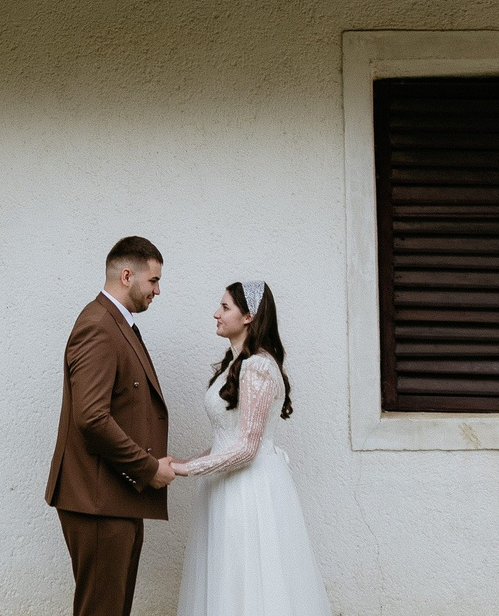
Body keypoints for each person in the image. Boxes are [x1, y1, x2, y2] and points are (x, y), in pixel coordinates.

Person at [166, 280, 334, 616]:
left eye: (225, 307)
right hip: (225, 485)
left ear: (249, 316)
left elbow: (246, 448)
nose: (216, 313)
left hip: (249, 490)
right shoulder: (234, 364)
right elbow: (225, 438)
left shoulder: (258, 366)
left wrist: (186, 470)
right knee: (227, 580)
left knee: (250, 580)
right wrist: (185, 459)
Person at [47, 236, 174, 616]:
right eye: (153, 281)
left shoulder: (118, 322)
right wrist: (148, 469)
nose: (157, 290)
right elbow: (92, 418)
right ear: (126, 275)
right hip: (96, 500)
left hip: (113, 496)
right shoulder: (99, 325)